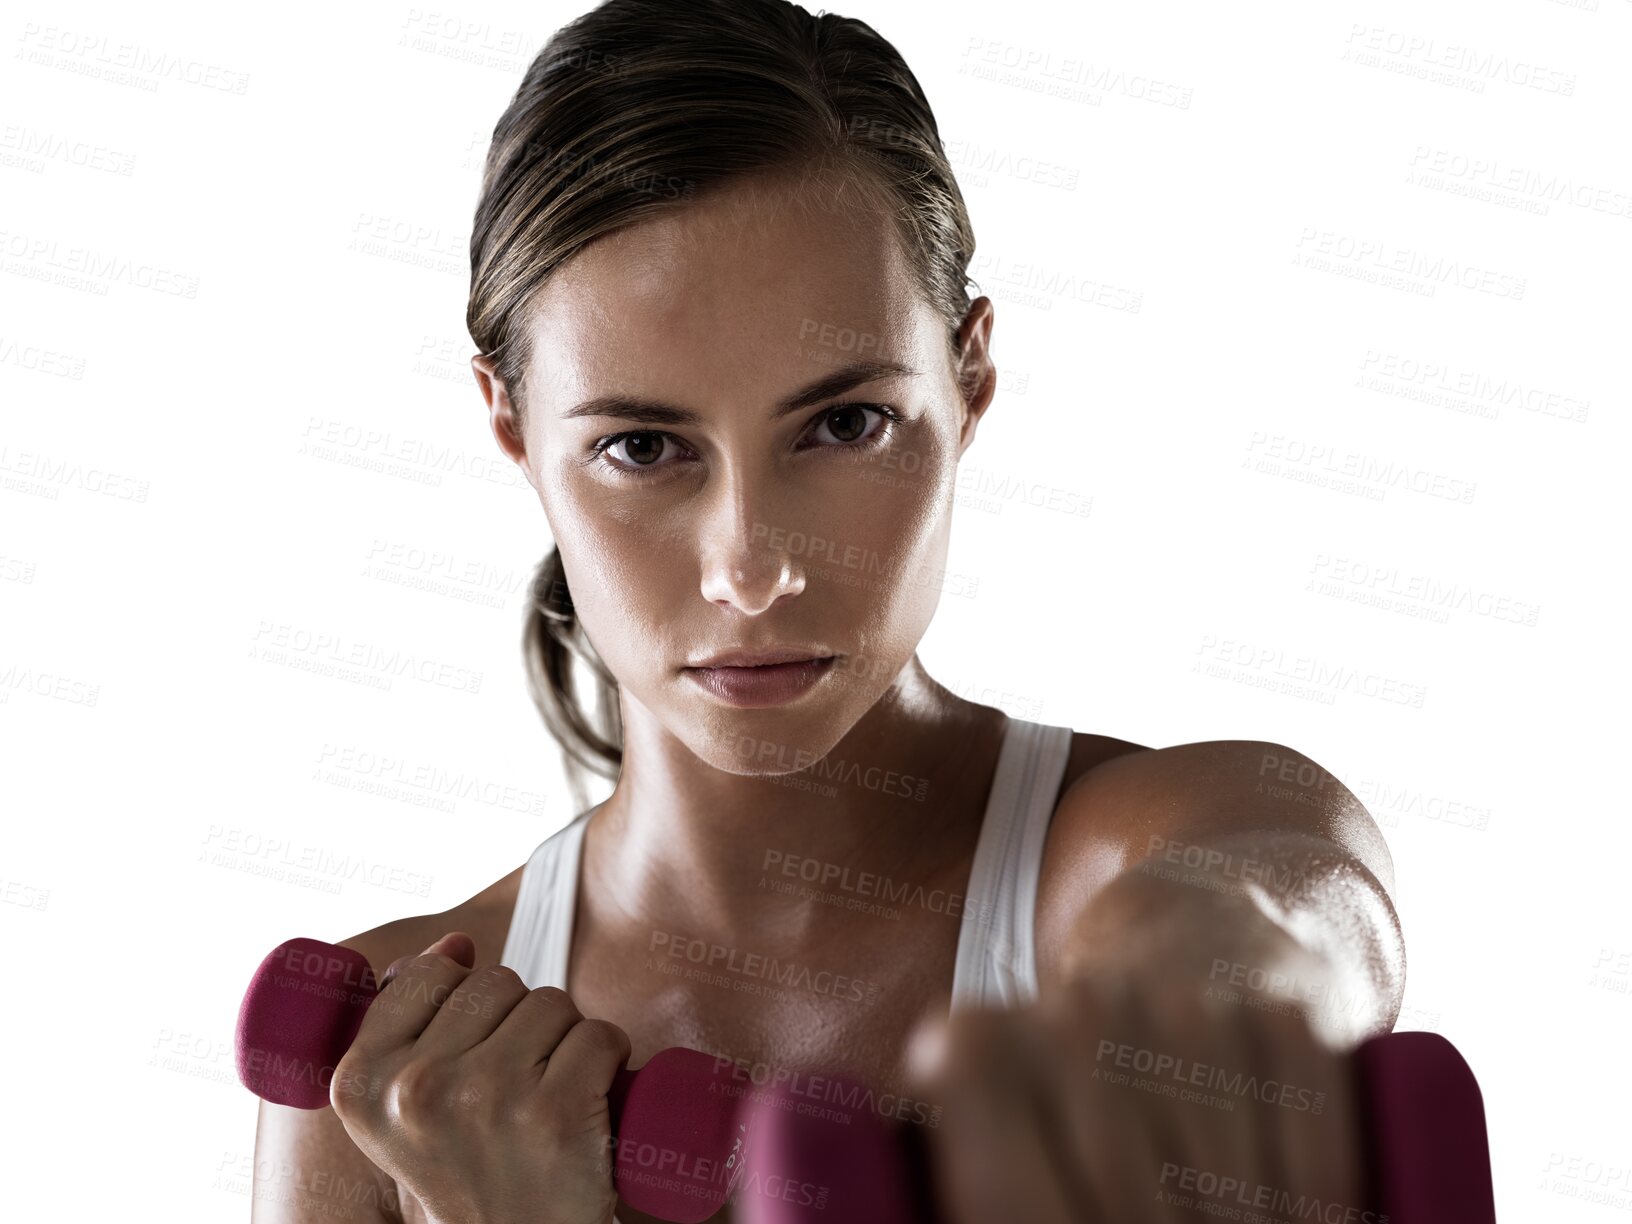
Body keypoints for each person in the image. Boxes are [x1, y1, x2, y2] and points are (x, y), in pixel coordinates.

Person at [251, 1, 1404, 1221]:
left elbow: (1298, 904)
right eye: (642, 446)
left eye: (845, 425)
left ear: (967, 381)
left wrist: (1199, 987)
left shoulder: (1143, 847)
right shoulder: (388, 1070)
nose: (750, 567)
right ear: (511, 428)